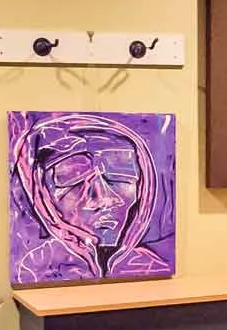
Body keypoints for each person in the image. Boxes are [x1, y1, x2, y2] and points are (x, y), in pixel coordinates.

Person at [10, 112, 171, 284]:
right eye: (73, 178)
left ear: (143, 185)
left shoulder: (151, 266)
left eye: (121, 176)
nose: (104, 199)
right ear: (42, 194)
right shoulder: (33, 270)